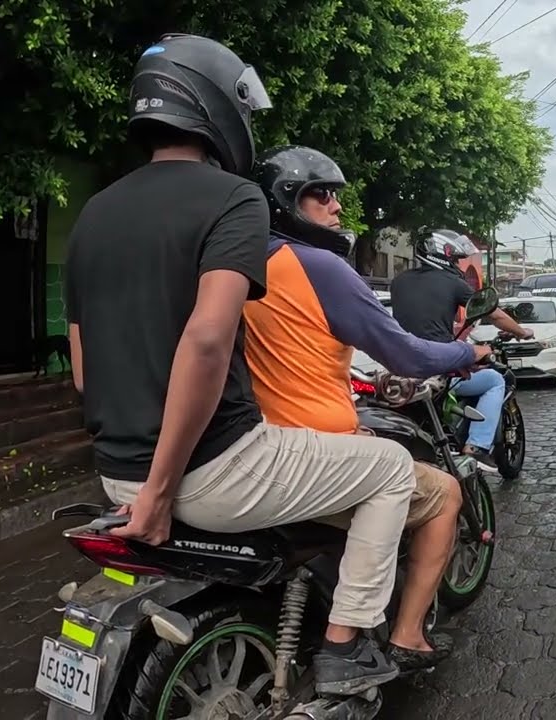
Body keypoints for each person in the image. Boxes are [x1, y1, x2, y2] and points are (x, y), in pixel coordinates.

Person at [65, 35, 411, 697]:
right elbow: (207, 343)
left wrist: (145, 481)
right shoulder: (233, 199)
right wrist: (165, 489)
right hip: (212, 469)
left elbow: (85, 372)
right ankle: (346, 647)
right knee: (391, 468)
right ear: (216, 105)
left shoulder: (93, 215)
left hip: (117, 481)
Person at [241, 145, 489, 671]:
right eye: (321, 195)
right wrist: (467, 352)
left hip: (254, 445)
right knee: (442, 493)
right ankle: (403, 635)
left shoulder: (236, 265)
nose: (336, 207)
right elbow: (402, 352)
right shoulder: (317, 266)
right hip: (313, 450)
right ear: (287, 201)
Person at [390, 230, 533, 471]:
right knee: (494, 380)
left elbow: (421, 319)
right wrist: (522, 332)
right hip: (437, 365)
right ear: (443, 255)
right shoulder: (452, 283)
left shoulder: (399, 281)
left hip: (399, 367)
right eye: (455, 259)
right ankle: (476, 447)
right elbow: (495, 314)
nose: (457, 264)